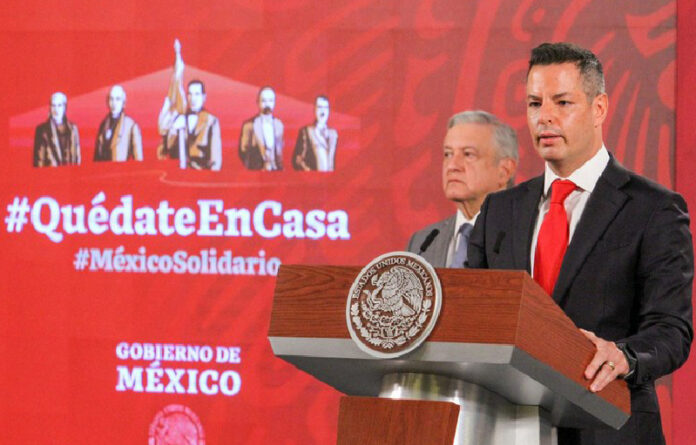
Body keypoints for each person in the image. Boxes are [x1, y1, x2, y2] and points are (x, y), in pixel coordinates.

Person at [468, 42, 693, 445]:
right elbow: (473, 316)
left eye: (562, 102)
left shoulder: (653, 209)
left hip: (608, 426)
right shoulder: (499, 211)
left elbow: (671, 330)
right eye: (535, 103)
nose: (545, 117)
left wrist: (625, 355)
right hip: (506, 427)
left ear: (599, 108)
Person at [406, 110, 518, 267]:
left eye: (468, 154)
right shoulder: (423, 242)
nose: (452, 166)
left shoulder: (524, 235)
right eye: (448, 154)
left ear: (504, 171)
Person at [157, 39, 221, 170]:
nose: (193, 98)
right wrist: (173, 131)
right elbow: (165, 150)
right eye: (190, 94)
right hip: (178, 176)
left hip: (201, 177)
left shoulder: (211, 121)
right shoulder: (180, 117)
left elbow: (216, 159)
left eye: (197, 94)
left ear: (204, 97)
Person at [239, 86, 284, 170]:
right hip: (256, 172)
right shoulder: (249, 125)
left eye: (270, 100)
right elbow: (243, 151)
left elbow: (279, 151)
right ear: (258, 102)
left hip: (276, 171)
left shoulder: (279, 125)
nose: (267, 104)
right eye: (264, 101)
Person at [94, 85, 143, 162]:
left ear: (123, 103)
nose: (114, 103)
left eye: (118, 99)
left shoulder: (131, 126)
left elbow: (138, 160)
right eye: (111, 99)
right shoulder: (103, 125)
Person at [33, 92, 80, 167]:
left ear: (65, 107)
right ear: (50, 108)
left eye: (59, 105)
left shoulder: (73, 129)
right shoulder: (41, 131)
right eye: (53, 106)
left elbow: (77, 159)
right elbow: (39, 162)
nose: (56, 109)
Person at [292, 95, 338, 171]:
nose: (323, 111)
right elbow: (297, 160)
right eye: (319, 107)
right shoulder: (306, 131)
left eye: (326, 108)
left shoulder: (333, 134)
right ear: (314, 109)